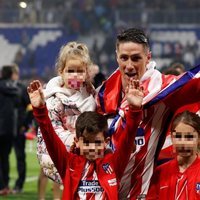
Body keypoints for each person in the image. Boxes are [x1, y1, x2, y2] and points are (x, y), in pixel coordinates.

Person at [95, 28, 200, 199]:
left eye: (136, 58)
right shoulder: (103, 95)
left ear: (148, 57)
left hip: (139, 193)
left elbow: (196, 85)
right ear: (116, 57)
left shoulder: (162, 90)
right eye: (124, 58)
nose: (129, 66)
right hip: (104, 192)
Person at [27, 78, 143, 199]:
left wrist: (134, 110)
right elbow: (50, 138)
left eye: (97, 142)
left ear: (106, 142)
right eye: (86, 142)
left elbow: (128, 138)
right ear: (76, 141)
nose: (92, 147)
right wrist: (40, 110)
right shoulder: (68, 163)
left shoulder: (113, 163)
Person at [37, 41, 96, 185]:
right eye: (70, 71)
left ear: (86, 73)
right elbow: (52, 129)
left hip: (86, 155)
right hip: (60, 155)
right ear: (61, 71)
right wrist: (75, 141)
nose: (75, 75)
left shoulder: (90, 95)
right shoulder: (53, 98)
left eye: (80, 71)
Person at [147, 110, 200, 200]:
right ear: (171, 137)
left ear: (199, 138)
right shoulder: (160, 172)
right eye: (178, 137)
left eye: (189, 137)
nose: (183, 143)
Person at [10, 64, 30, 194]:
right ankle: (4, 184)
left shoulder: (22, 89)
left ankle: (19, 184)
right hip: (6, 128)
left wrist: (25, 125)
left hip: (18, 128)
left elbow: (30, 107)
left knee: (20, 157)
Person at [0, 65, 20, 195]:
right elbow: (20, 105)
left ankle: (1, 186)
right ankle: (6, 185)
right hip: (10, 128)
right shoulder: (17, 88)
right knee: (5, 158)